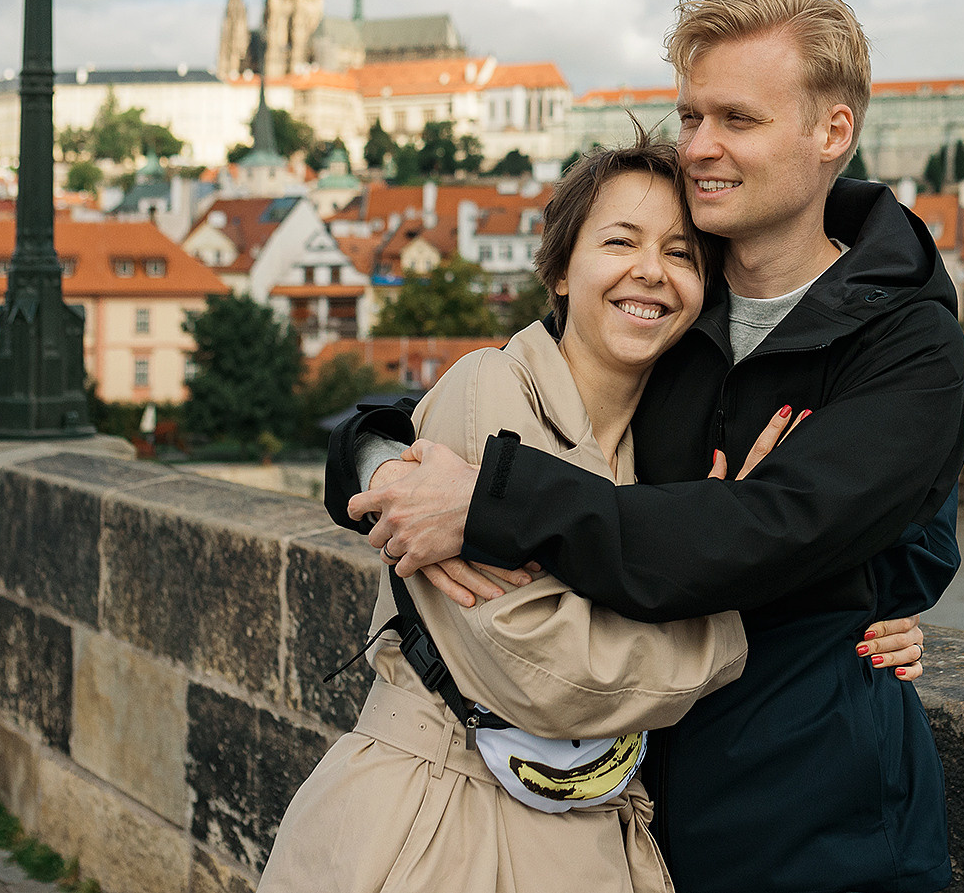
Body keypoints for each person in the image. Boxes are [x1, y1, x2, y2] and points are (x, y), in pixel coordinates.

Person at [347, 0, 964, 893]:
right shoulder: (676, 302)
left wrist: (494, 503)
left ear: (832, 129)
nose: (702, 145)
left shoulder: (906, 343)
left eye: (738, 120)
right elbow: (506, 387)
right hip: (629, 827)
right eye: (692, 115)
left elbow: (763, 533)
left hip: (817, 832)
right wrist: (379, 458)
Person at [264, 140, 804, 892]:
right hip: (441, 824)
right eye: (620, 241)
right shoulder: (493, 389)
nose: (651, 269)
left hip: (592, 835)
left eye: (681, 253)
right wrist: (733, 606)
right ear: (559, 269)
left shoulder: (665, 448)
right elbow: (547, 671)